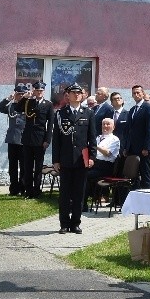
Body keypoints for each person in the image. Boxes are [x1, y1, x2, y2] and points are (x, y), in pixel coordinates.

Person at [52, 82, 96, 234]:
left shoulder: (88, 113)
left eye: (79, 93)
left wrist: (92, 157)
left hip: (81, 160)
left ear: (82, 95)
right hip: (65, 159)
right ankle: (64, 224)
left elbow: (92, 138)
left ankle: (76, 223)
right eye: (73, 93)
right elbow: (56, 139)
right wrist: (56, 160)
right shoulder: (60, 113)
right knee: (64, 194)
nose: (76, 95)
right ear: (68, 95)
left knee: (79, 193)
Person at [18, 80, 54, 199]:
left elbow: (50, 124)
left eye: (41, 90)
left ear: (44, 91)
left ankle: (36, 190)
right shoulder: (29, 102)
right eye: (37, 90)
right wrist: (24, 98)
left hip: (40, 138)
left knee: (38, 167)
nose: (39, 92)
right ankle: (28, 191)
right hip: (28, 138)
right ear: (34, 90)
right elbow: (18, 108)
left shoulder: (48, 104)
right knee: (27, 166)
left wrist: (47, 140)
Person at [122, 84, 150, 188]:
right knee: (133, 175)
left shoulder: (148, 108)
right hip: (132, 147)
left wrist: (147, 147)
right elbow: (128, 130)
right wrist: (126, 147)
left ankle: (148, 198)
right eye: (134, 93)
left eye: (138, 92)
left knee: (145, 174)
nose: (136, 95)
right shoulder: (132, 109)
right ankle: (136, 197)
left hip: (143, 148)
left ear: (143, 94)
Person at [0, 84, 28, 196]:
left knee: (24, 166)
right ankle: (14, 189)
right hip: (12, 140)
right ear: (15, 94)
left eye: (23, 94)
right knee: (12, 167)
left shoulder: (28, 106)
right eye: (19, 94)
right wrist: (8, 98)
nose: (21, 96)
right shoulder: (11, 106)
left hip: (24, 140)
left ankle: (23, 188)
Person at [83, 116, 120, 209]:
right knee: (78, 173)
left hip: (105, 166)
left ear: (113, 127)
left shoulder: (115, 139)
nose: (105, 126)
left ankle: (83, 204)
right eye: (103, 124)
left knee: (85, 176)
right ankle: (75, 200)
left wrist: (95, 145)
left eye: (108, 124)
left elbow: (107, 153)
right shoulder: (97, 137)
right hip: (94, 163)